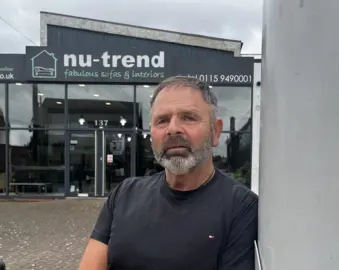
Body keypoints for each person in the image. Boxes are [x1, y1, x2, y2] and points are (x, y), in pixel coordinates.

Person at [78, 76, 258, 270]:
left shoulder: (241, 207)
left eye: (188, 117)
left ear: (215, 132)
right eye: (162, 120)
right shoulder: (124, 195)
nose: (173, 129)